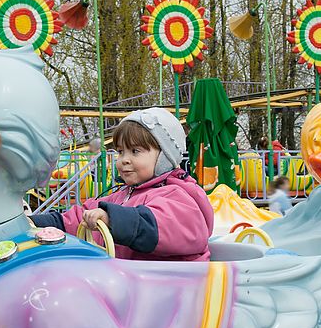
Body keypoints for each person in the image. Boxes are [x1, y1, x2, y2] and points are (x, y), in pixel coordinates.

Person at [30, 107, 213, 261]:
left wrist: (112, 219)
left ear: (164, 157)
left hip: (175, 289)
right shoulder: (121, 196)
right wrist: (32, 222)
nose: (124, 160)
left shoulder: (177, 196)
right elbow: (78, 218)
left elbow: (158, 225)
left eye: (135, 151)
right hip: (132, 285)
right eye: (120, 152)